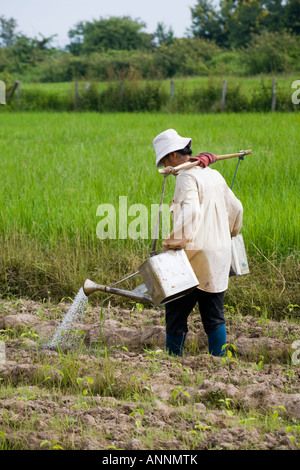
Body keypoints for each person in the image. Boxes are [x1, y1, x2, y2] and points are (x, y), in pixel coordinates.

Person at [153, 129, 243, 357]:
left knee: (176, 312)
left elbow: (190, 213)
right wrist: (228, 232)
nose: (164, 164)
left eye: (164, 159)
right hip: (219, 255)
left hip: (194, 257)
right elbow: (236, 208)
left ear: (173, 156)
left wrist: (171, 245)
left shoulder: (186, 176)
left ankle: (171, 362)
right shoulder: (212, 174)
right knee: (213, 314)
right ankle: (220, 362)